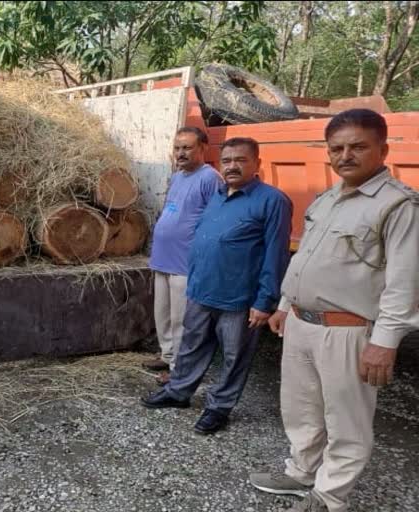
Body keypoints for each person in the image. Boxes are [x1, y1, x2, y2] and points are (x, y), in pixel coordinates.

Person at [249, 110, 419, 512]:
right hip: (302, 325)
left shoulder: (398, 206)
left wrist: (385, 342)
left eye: (358, 146)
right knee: (301, 407)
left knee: (347, 422)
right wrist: (287, 305)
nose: (346, 155)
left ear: (383, 150)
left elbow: (404, 282)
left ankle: (329, 498)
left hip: (349, 331)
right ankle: (301, 473)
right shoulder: (327, 199)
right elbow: (307, 257)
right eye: (337, 148)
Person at [141, 137, 292, 435]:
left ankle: (219, 407)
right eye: (227, 161)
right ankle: (179, 392)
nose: (232, 166)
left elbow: (277, 254)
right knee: (191, 346)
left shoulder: (272, 200)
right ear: (219, 164)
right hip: (201, 289)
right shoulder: (218, 195)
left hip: (238, 297)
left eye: (241, 160)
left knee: (234, 356)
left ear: (257, 164)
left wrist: (265, 301)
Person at [145, 127, 221, 384]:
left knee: (182, 321)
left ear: (203, 149)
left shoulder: (210, 178)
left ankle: (179, 369)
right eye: (177, 148)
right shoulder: (178, 176)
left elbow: (215, 221)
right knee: (162, 315)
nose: (181, 153)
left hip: (185, 263)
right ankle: (167, 355)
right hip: (163, 259)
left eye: (187, 147)